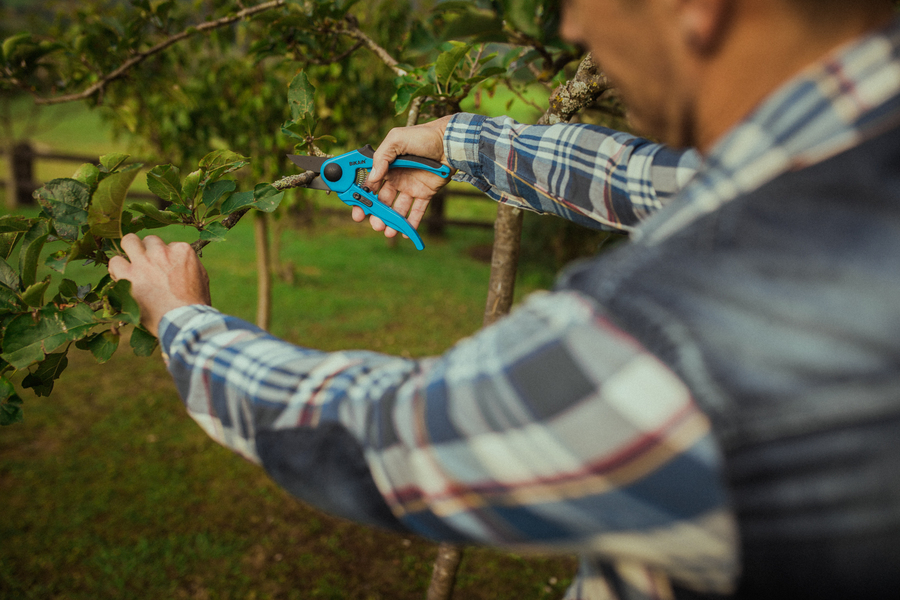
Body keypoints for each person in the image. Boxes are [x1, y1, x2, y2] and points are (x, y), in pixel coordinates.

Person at [108, 0, 900, 597]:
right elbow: (651, 179)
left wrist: (185, 322)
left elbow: (385, 440)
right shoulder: (846, 158)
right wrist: (459, 141)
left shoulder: (687, 334)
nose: (573, 24)